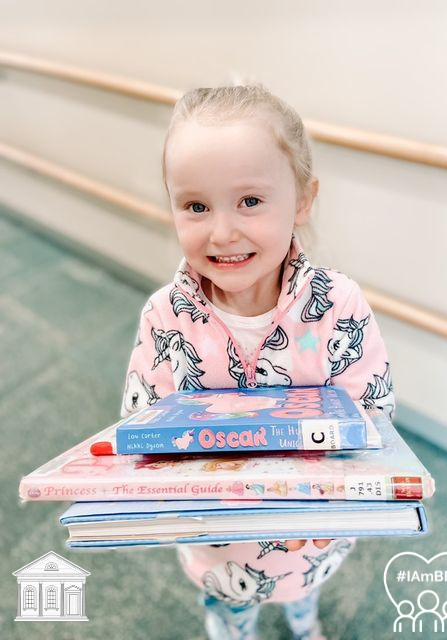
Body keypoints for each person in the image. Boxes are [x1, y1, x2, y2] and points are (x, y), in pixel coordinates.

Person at [121, 85, 394, 640]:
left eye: (249, 201)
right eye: (196, 206)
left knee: (305, 591)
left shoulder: (337, 305)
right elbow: (140, 423)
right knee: (231, 614)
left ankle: (304, 621)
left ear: (301, 200)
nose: (222, 232)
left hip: (311, 534)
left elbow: (375, 411)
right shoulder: (164, 315)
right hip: (218, 543)